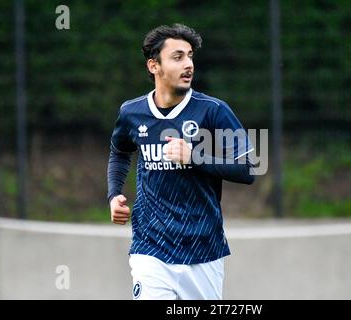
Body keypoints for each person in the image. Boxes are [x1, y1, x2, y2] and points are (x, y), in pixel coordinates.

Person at [107, 23, 255, 300]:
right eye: (178, 57)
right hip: (150, 247)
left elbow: (248, 168)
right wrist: (114, 194)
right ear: (154, 66)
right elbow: (119, 152)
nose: (188, 64)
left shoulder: (213, 111)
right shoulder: (131, 113)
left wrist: (194, 156)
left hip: (203, 249)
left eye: (190, 56)